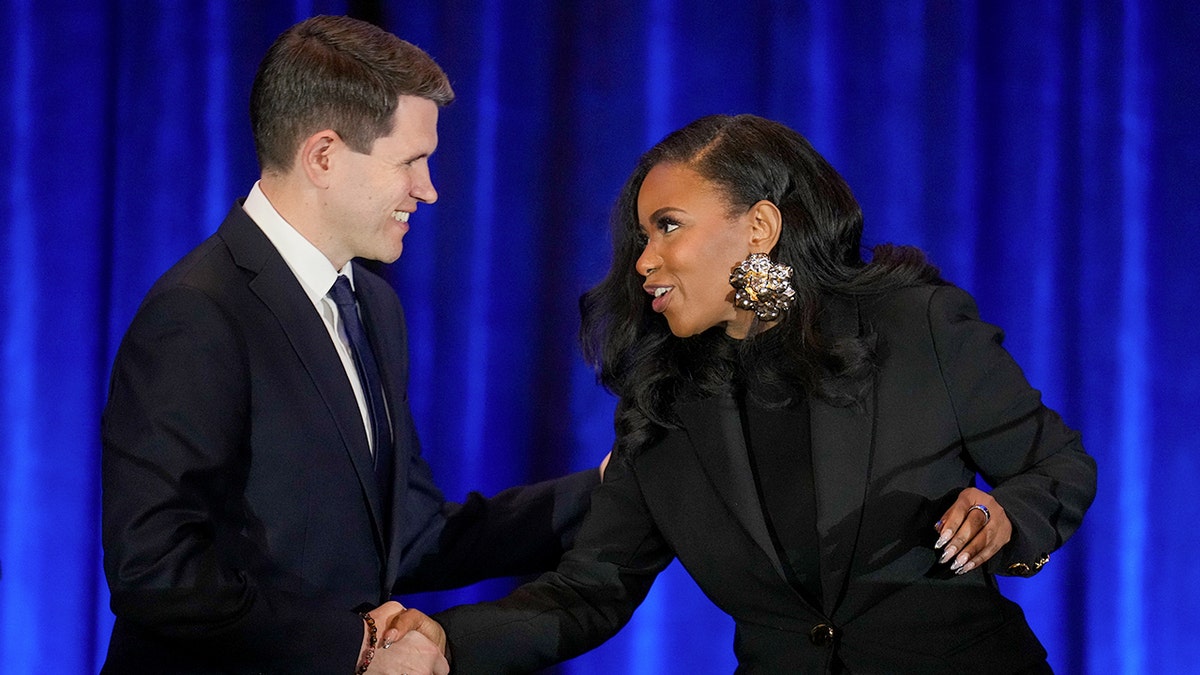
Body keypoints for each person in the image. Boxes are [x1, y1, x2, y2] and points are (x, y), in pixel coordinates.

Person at [412, 114, 1097, 673]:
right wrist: (440, 643)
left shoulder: (914, 324)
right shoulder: (662, 400)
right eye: (642, 233)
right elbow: (590, 590)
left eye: (669, 225)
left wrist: (1006, 515)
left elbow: (1059, 465)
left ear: (760, 229)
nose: (644, 258)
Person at [100, 15, 600, 675]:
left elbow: (412, 534)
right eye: (411, 161)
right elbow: (156, 569)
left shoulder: (375, 308)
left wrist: (602, 488)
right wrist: (355, 649)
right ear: (325, 156)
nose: (429, 189)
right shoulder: (198, 312)